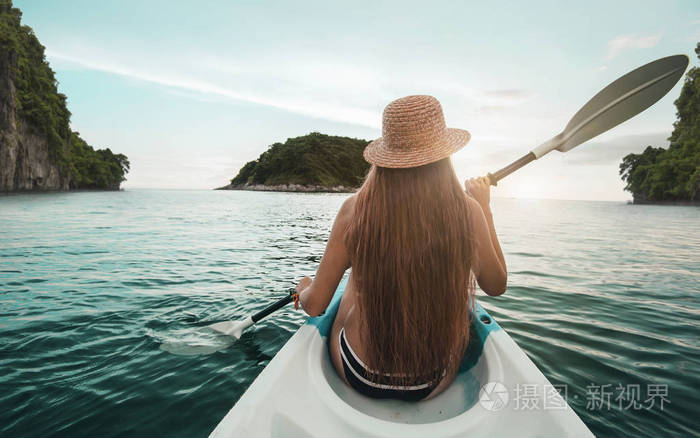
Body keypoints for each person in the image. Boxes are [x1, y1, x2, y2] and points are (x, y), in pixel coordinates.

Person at [295, 95, 507, 401]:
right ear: (445, 155)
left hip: (358, 373)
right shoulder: (468, 210)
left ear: (386, 158)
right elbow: (496, 285)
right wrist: (484, 209)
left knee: (356, 276)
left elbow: (315, 306)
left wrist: (304, 289)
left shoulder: (354, 211)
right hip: (431, 382)